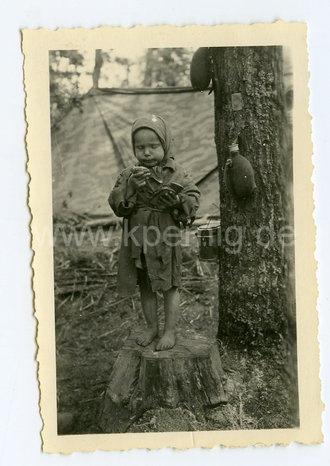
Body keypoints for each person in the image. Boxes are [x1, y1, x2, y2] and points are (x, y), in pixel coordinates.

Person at [109, 115, 200, 350]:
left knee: (169, 285)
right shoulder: (130, 175)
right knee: (146, 285)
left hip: (164, 236)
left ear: (165, 144)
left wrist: (177, 201)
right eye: (140, 147)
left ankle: (170, 332)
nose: (147, 153)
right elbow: (117, 203)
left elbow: (193, 197)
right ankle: (152, 327)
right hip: (138, 238)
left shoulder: (176, 172)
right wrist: (130, 188)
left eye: (153, 146)